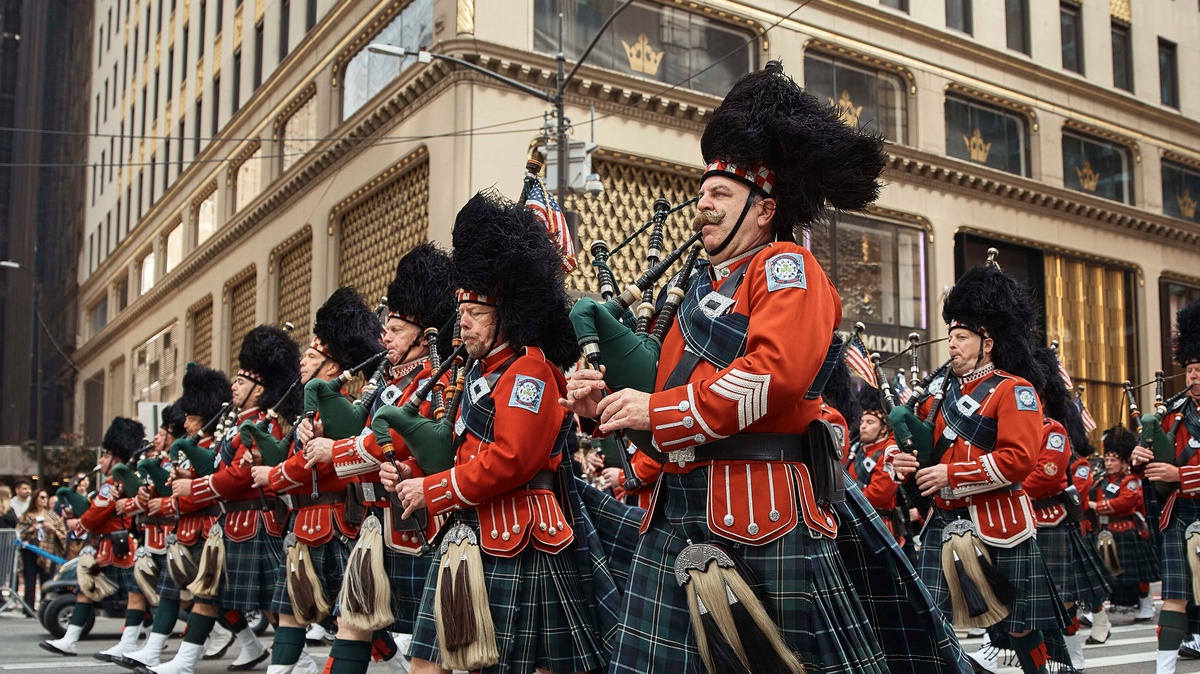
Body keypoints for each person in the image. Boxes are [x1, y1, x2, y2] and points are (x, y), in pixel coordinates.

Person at [567, 61, 965, 674]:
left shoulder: (786, 269)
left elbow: (771, 376)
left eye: (720, 194)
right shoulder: (699, 284)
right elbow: (666, 389)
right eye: (702, 192)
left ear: (763, 208)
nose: (702, 204)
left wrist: (658, 410)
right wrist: (608, 410)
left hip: (762, 516)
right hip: (681, 509)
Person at [383, 190, 624, 674]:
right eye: (461, 311)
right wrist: (410, 472)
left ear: (506, 316)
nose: (463, 323)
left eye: (476, 313)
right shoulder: (481, 371)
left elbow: (513, 459)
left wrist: (433, 489)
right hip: (474, 525)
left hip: (518, 531)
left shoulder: (528, 371)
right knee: (429, 663)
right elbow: (464, 450)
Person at [891, 260, 1070, 674]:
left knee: (1022, 628)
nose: (951, 345)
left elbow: (1019, 460)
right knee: (928, 617)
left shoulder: (1015, 390)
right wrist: (902, 461)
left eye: (961, 337)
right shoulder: (939, 398)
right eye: (950, 336)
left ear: (986, 342)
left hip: (1000, 523)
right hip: (945, 522)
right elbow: (927, 458)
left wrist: (952, 476)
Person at [322, 243, 457, 674]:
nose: (386, 336)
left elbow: (393, 438)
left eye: (396, 328)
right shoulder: (387, 382)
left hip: (420, 529)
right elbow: (361, 429)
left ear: (424, 336)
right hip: (375, 525)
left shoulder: (436, 379)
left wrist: (334, 451)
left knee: (437, 646)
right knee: (353, 620)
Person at [141, 326, 301, 674]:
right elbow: (221, 466)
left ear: (260, 390)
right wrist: (188, 477)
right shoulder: (236, 424)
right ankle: (184, 662)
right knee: (208, 594)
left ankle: (300, 662)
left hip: (256, 523)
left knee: (276, 604)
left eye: (242, 383)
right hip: (233, 524)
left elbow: (239, 478)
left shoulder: (263, 425)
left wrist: (194, 490)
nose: (235, 386)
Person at [250, 287, 384, 674]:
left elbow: (319, 466)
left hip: (337, 523)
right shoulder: (315, 405)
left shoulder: (340, 404)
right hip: (306, 524)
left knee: (356, 620)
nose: (303, 363)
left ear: (330, 367)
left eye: (311, 357)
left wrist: (272, 475)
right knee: (294, 611)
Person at [41, 417, 148, 658]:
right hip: (106, 548)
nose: (100, 460)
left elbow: (94, 515)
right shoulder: (110, 483)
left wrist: (77, 524)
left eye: (106, 455)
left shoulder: (115, 484)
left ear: (117, 459)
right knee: (88, 590)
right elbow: (93, 509)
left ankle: (139, 641)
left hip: (117, 548)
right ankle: (70, 640)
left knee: (136, 593)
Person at [1131, 299, 1200, 674]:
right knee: (1174, 597)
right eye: (1190, 369)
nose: (1193, 377)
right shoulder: (1171, 416)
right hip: (1180, 515)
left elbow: (1177, 472)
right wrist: (1142, 461)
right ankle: (1164, 670)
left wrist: (1183, 476)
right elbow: (1154, 471)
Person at [1092, 425, 1159, 645]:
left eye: (1114, 460)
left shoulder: (1130, 480)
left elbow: (1125, 503)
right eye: (1107, 460)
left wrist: (1097, 505)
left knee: (1136, 574)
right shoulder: (1100, 480)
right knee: (1105, 574)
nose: (1109, 464)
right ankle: (1097, 608)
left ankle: (1146, 604)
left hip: (1127, 531)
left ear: (1123, 461)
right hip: (1105, 532)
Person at [17, 489, 67, 614]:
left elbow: (63, 533)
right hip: (31, 551)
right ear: (35, 499)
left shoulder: (52, 516)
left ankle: (45, 608)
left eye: (46, 497)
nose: (44, 500)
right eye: (42, 497)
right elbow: (18, 533)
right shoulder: (27, 515)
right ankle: (28, 608)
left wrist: (52, 529)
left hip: (48, 552)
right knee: (30, 580)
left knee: (47, 580)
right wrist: (31, 529)